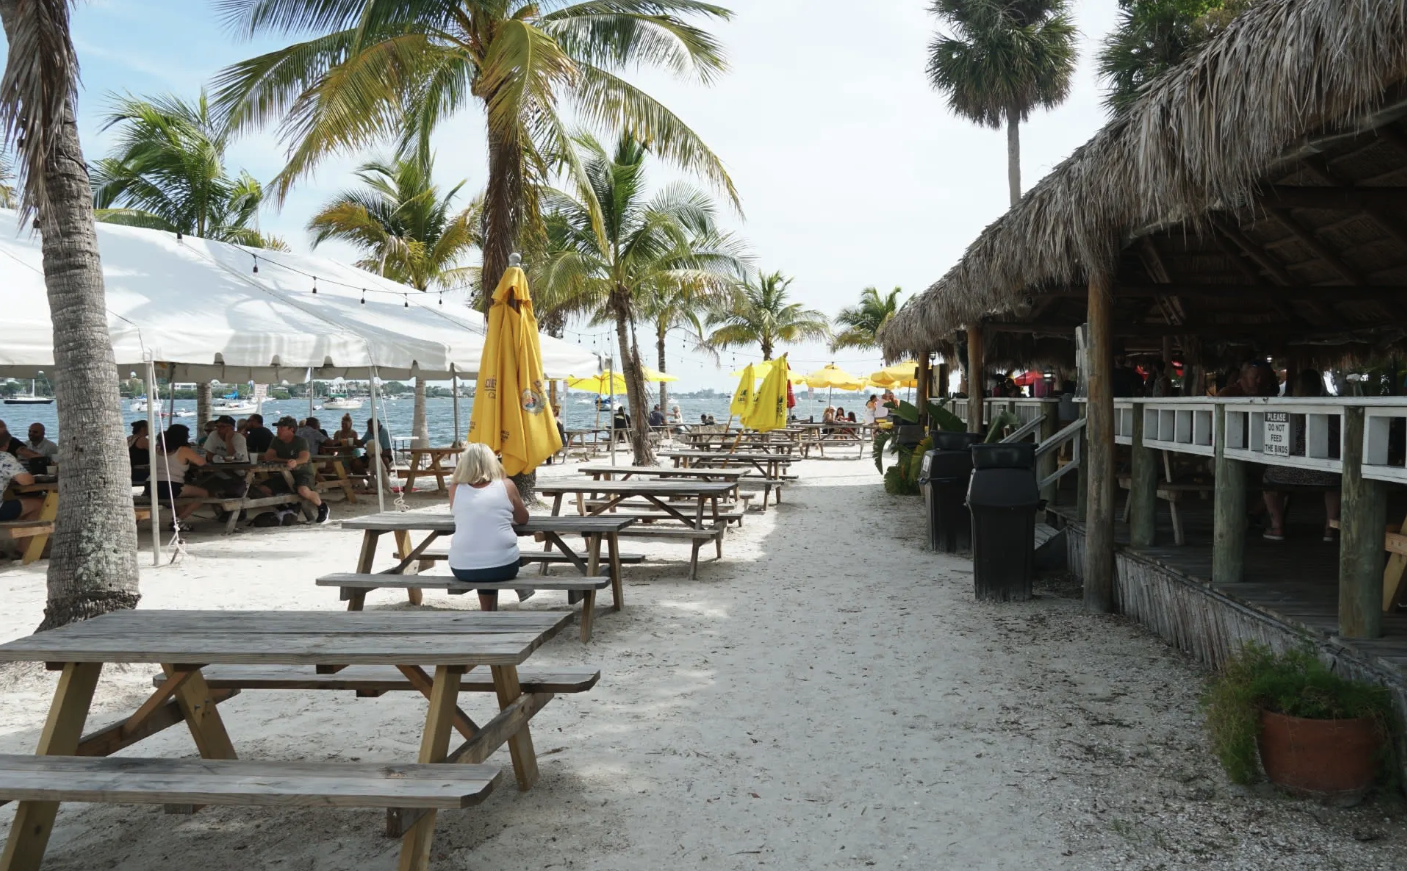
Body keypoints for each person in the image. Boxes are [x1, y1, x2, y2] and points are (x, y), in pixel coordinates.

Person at [448, 443, 531, 613]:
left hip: (462, 568)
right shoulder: (506, 485)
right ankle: (521, 590)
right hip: (503, 567)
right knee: (498, 554)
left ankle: (487, 611)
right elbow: (523, 519)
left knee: (484, 551)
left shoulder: (455, 489)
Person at [1262, 369, 1341, 542]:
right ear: (1319, 386)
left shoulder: (1285, 405)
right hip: (1325, 472)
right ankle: (1330, 529)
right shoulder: (1333, 407)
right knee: (1336, 484)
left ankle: (1277, 527)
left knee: (1269, 482)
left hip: (1285, 472)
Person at [264, 416, 329, 524]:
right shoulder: (276, 440)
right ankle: (284, 507)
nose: (278, 431)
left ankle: (322, 506)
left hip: (303, 473)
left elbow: (304, 457)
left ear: (291, 429)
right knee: (261, 489)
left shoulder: (300, 441)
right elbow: (268, 457)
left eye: (281, 428)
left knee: (303, 491)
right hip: (284, 474)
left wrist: (295, 462)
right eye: (278, 428)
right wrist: (287, 461)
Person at [147, 424, 208, 527]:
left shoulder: (158, 449)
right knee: (204, 494)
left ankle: (180, 521)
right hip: (170, 485)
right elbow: (202, 462)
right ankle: (179, 519)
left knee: (180, 496)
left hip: (150, 485)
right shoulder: (183, 450)